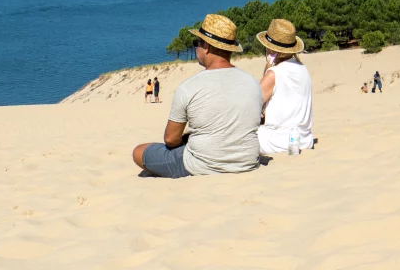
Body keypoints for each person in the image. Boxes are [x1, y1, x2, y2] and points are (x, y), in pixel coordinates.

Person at [132, 13, 262, 178]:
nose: (195, 48)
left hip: (202, 164)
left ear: (207, 47)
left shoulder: (189, 87)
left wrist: (186, 140)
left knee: (139, 152)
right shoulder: (252, 82)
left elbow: (171, 139)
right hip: (247, 161)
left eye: (197, 43)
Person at [255, 19, 314, 155]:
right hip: (304, 139)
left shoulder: (274, 73)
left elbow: (253, 104)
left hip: (278, 142)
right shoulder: (303, 69)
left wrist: (268, 66)